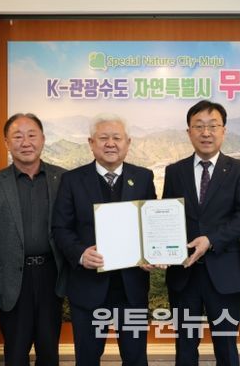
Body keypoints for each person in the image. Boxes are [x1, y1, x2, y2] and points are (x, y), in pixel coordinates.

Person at [52, 114, 156, 366]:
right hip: (88, 286)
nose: (111, 143)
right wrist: (80, 254)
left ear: (128, 143)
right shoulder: (72, 180)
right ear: (91, 143)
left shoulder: (143, 177)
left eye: (117, 138)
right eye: (103, 138)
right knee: (87, 358)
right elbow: (60, 228)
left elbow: (151, 225)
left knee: (135, 357)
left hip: (130, 287)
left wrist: (152, 253)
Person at [163, 100, 240, 366]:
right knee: (185, 342)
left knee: (225, 343)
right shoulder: (175, 171)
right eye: (199, 126)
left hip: (224, 270)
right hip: (183, 272)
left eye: (213, 126)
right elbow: (166, 215)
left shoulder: (239, 170)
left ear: (223, 130)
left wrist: (212, 240)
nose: (206, 133)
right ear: (189, 132)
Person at [0, 113, 68, 365]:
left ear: (43, 139)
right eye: (17, 136)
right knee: (15, 353)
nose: (26, 142)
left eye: (32, 135)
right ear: (6, 142)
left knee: (49, 352)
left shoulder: (63, 179)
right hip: (11, 280)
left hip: (51, 277)